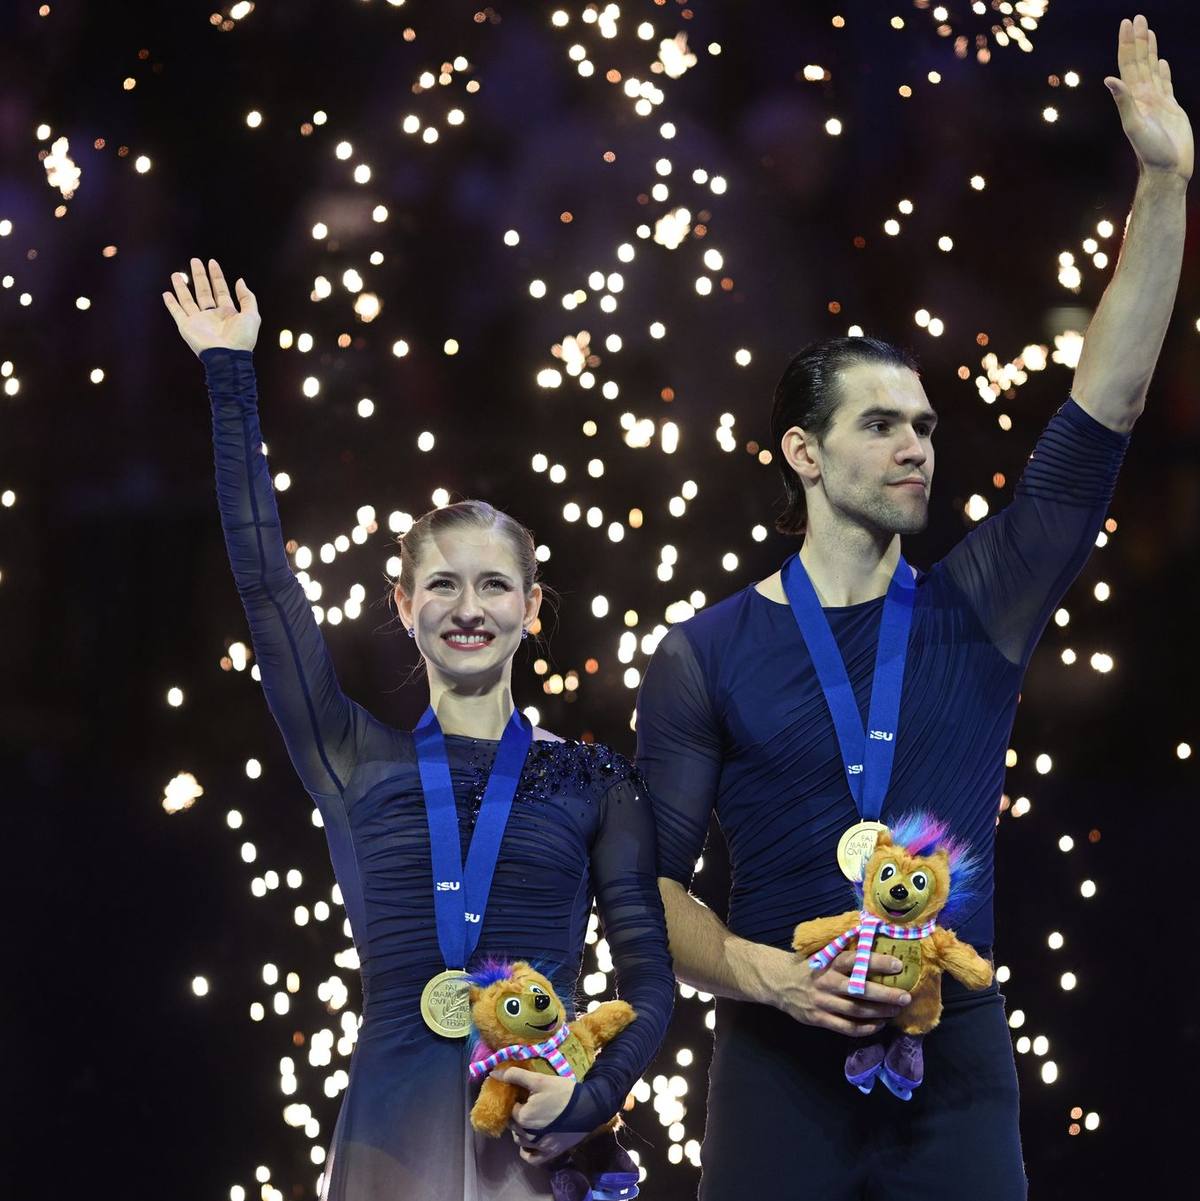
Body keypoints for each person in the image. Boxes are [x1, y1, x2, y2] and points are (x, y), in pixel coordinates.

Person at [635, 14, 1189, 1199]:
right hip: (774, 1066)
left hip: (957, 1064)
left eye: (927, 427)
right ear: (800, 451)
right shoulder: (707, 651)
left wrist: (1163, 182)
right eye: (880, 424)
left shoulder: (978, 607)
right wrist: (761, 972)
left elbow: (1112, 403)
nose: (916, 448)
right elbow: (650, 888)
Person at [162, 259, 674, 1201]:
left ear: (531, 609)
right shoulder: (354, 756)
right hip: (390, 1130)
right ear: (403, 606)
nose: (466, 606)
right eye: (441, 582)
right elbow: (267, 586)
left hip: (536, 1127)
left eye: (493, 585)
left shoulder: (600, 779)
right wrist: (231, 372)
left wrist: (585, 1094)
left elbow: (650, 982)